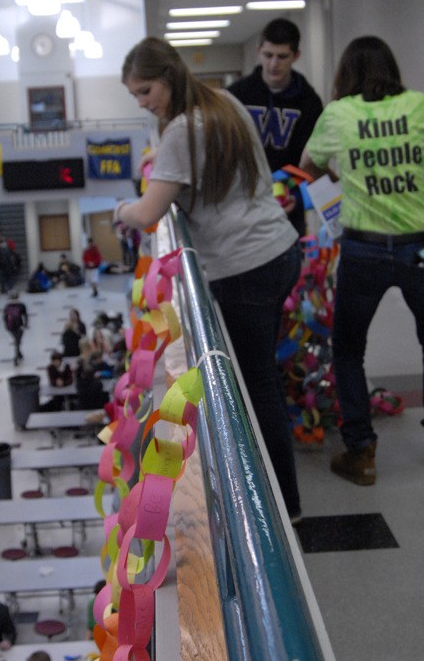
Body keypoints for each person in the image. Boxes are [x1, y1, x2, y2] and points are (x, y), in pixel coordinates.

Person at [117, 36, 303, 523]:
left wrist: (119, 208)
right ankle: (283, 499)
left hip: (244, 266)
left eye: (145, 90)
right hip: (279, 249)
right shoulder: (226, 103)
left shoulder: (182, 129)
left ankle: (282, 508)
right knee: (261, 381)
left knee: (257, 388)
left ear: (168, 77)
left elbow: (147, 212)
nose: (142, 102)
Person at [300, 35, 424, 483]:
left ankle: (361, 452)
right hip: (421, 245)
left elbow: (307, 164)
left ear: (345, 74)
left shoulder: (338, 115)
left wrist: (346, 169)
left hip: (363, 247)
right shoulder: (419, 105)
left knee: (348, 349)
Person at [228, 18, 323, 237]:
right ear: (258, 51)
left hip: (288, 204)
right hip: (243, 203)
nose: (273, 64)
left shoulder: (308, 101)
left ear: (295, 56)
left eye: (282, 57)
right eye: (268, 55)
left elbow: (312, 160)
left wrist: (297, 197)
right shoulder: (236, 94)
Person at [3, 290, 28, 366]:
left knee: (17, 341)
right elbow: (25, 316)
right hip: (19, 326)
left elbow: (5, 317)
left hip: (11, 327)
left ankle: (18, 354)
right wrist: (25, 325)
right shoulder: (21, 305)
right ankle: (16, 357)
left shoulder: (7, 306)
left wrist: (6, 326)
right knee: (17, 341)